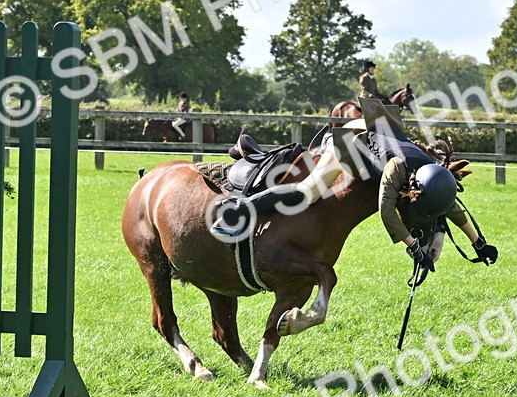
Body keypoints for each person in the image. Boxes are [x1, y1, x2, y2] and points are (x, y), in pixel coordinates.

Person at [212, 100, 497, 272]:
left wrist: (479, 243)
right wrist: (412, 247)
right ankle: (241, 208)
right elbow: (386, 213)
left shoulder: (431, 171)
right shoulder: (396, 169)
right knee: (307, 192)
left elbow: (451, 207)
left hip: (381, 129)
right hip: (355, 135)